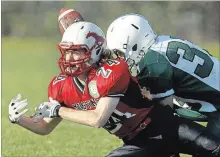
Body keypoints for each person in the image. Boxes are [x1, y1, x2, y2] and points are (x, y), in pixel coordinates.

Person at [8, 21, 220, 157]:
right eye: (66, 52)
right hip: (137, 142)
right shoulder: (60, 86)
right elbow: (44, 127)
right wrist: (20, 120)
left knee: (215, 149)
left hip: (167, 127)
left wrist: (57, 111)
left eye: (76, 52)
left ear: (94, 51)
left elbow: (97, 119)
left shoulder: (112, 71)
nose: (69, 58)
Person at [106, 13, 220, 138]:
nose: (120, 58)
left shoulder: (153, 62)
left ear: (133, 44)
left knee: (208, 149)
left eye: (119, 53)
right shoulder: (164, 41)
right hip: (212, 99)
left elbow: (165, 113)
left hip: (215, 104)